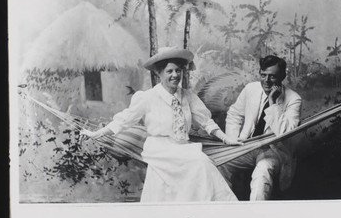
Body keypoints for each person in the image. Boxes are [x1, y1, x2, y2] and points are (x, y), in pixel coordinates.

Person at [81, 46, 240, 202]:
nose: (175, 75)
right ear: (159, 73)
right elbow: (124, 120)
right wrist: (96, 134)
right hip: (160, 149)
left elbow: (206, 122)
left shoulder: (187, 96)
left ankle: (203, 212)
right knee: (201, 162)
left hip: (183, 147)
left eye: (178, 70)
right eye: (169, 71)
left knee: (202, 163)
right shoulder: (148, 97)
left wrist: (226, 139)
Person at [219, 55, 302, 200]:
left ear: (282, 76)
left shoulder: (294, 99)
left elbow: (286, 132)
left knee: (262, 173)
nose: (266, 81)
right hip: (246, 145)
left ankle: (257, 214)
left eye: (272, 76)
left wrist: (272, 102)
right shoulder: (251, 89)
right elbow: (234, 114)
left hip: (273, 150)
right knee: (219, 164)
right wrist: (233, 142)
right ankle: (226, 206)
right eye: (263, 75)